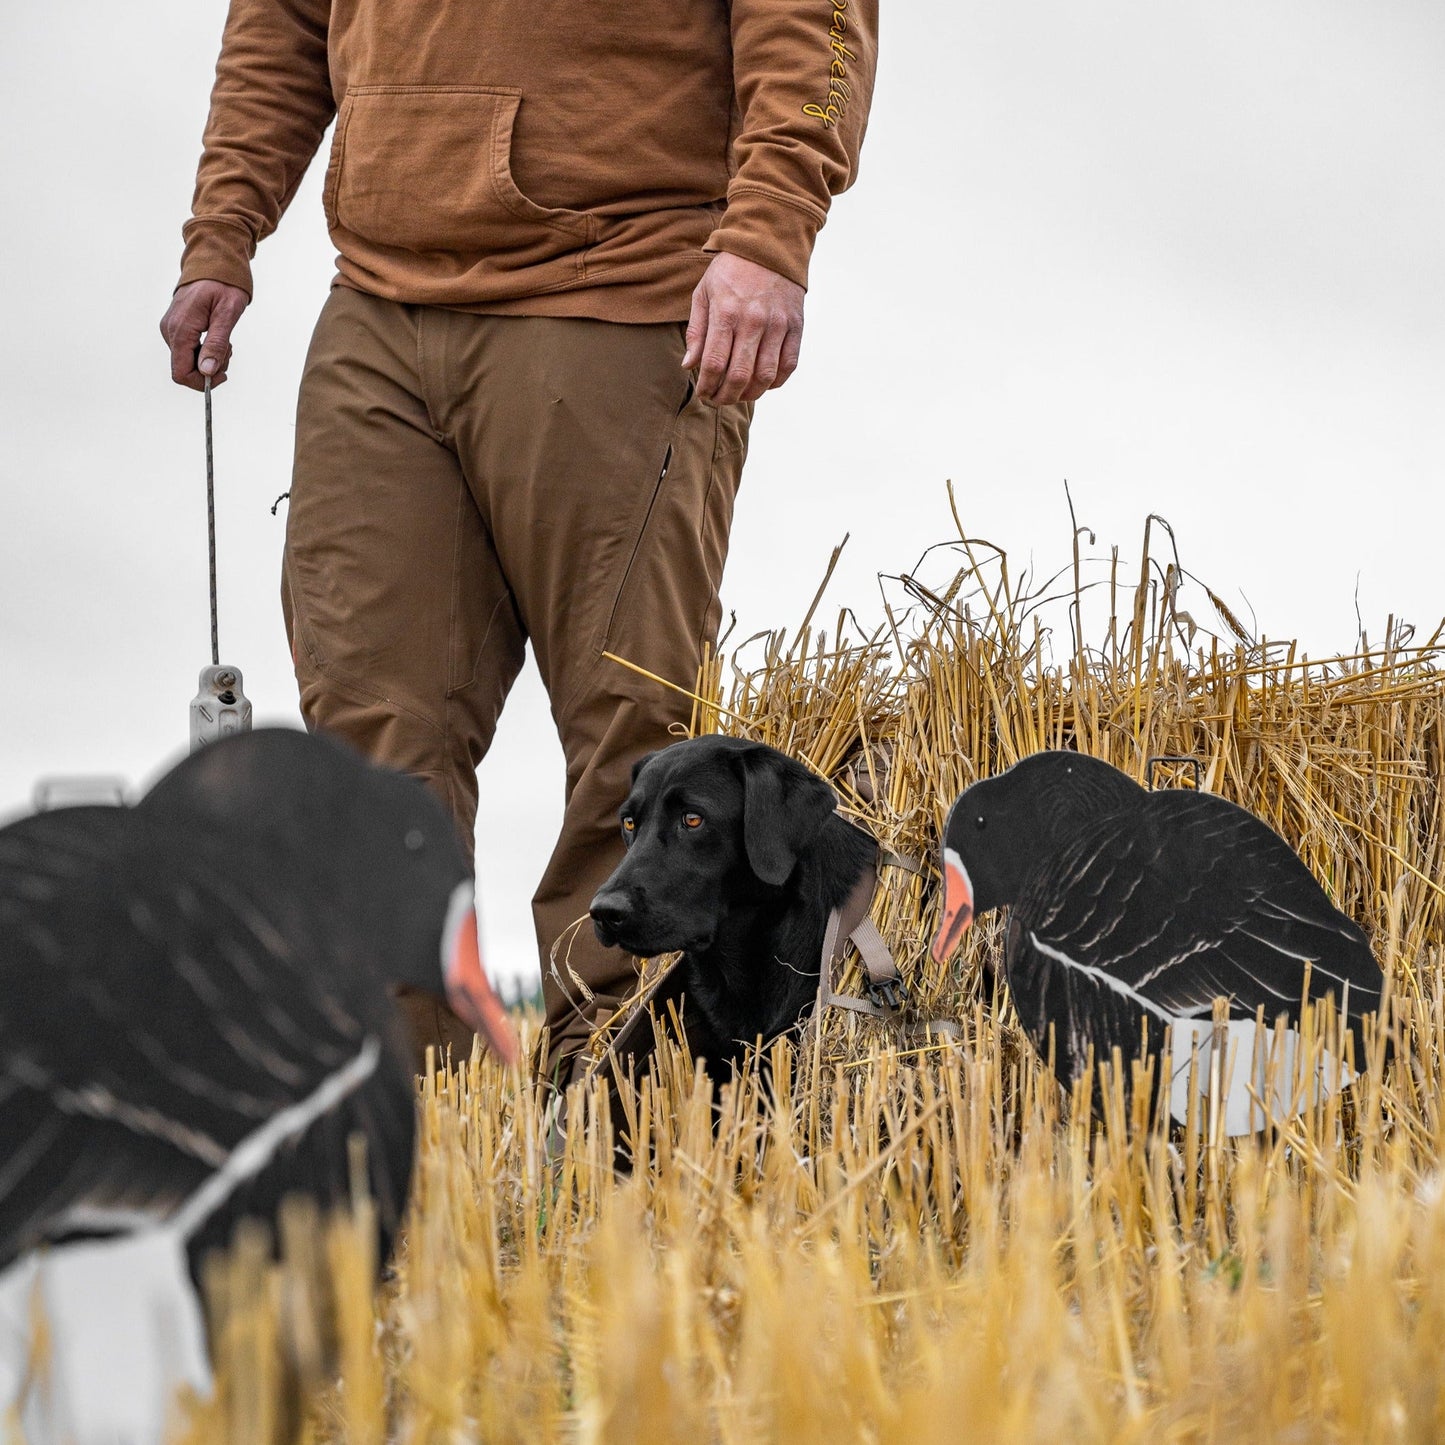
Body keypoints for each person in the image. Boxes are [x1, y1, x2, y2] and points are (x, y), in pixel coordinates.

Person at [159, 1, 878, 1082]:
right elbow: (280, 22)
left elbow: (810, 21)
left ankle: (604, 1107)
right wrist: (222, 229)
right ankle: (414, 1115)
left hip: (620, 288)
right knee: (368, 731)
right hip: (378, 302)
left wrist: (769, 230)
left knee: (629, 724)